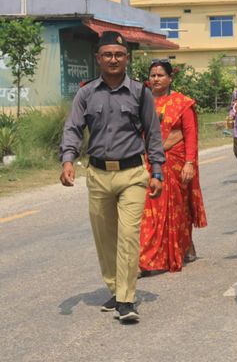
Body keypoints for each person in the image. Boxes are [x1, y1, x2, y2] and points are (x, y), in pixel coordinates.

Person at [60, 31, 165, 323]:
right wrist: (68, 159)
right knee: (105, 238)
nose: (113, 59)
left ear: (127, 58)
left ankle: (126, 300)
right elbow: (73, 128)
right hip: (98, 175)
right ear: (98, 58)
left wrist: (157, 171)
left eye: (119, 55)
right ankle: (115, 288)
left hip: (133, 174)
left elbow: (153, 133)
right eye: (107, 55)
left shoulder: (140, 93)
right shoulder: (86, 93)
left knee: (128, 236)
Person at [139, 61, 207, 275]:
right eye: (152, 75)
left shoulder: (182, 103)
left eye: (160, 75)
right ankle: (147, 259)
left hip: (176, 164)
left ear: (170, 78)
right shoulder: (142, 102)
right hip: (148, 162)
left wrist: (189, 163)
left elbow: (190, 135)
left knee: (177, 210)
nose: (156, 79)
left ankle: (182, 246)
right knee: (150, 211)